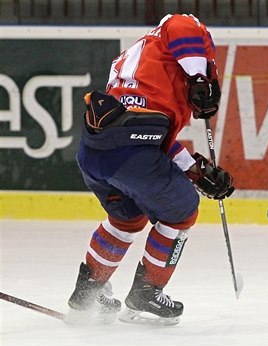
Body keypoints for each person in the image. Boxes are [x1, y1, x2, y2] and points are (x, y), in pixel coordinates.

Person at [65, 14, 234, 325]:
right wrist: (199, 77)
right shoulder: (184, 37)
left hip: (96, 153)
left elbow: (148, 137)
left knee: (126, 219)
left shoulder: (141, 64)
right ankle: (147, 291)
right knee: (182, 210)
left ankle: (88, 291)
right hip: (132, 151)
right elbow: (180, 23)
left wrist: (196, 170)